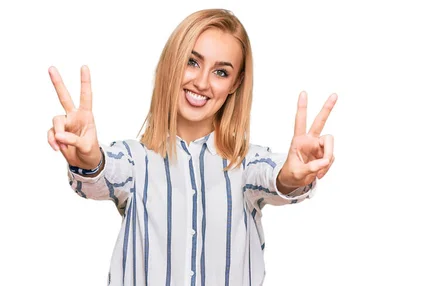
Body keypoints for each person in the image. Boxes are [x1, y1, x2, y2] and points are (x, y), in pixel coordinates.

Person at [46, 8, 336, 286]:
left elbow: (276, 178)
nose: (201, 82)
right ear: (172, 62)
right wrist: (87, 159)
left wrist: (293, 177)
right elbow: (103, 172)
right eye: (192, 62)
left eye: (221, 72)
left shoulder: (246, 165)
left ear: (235, 83)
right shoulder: (136, 162)